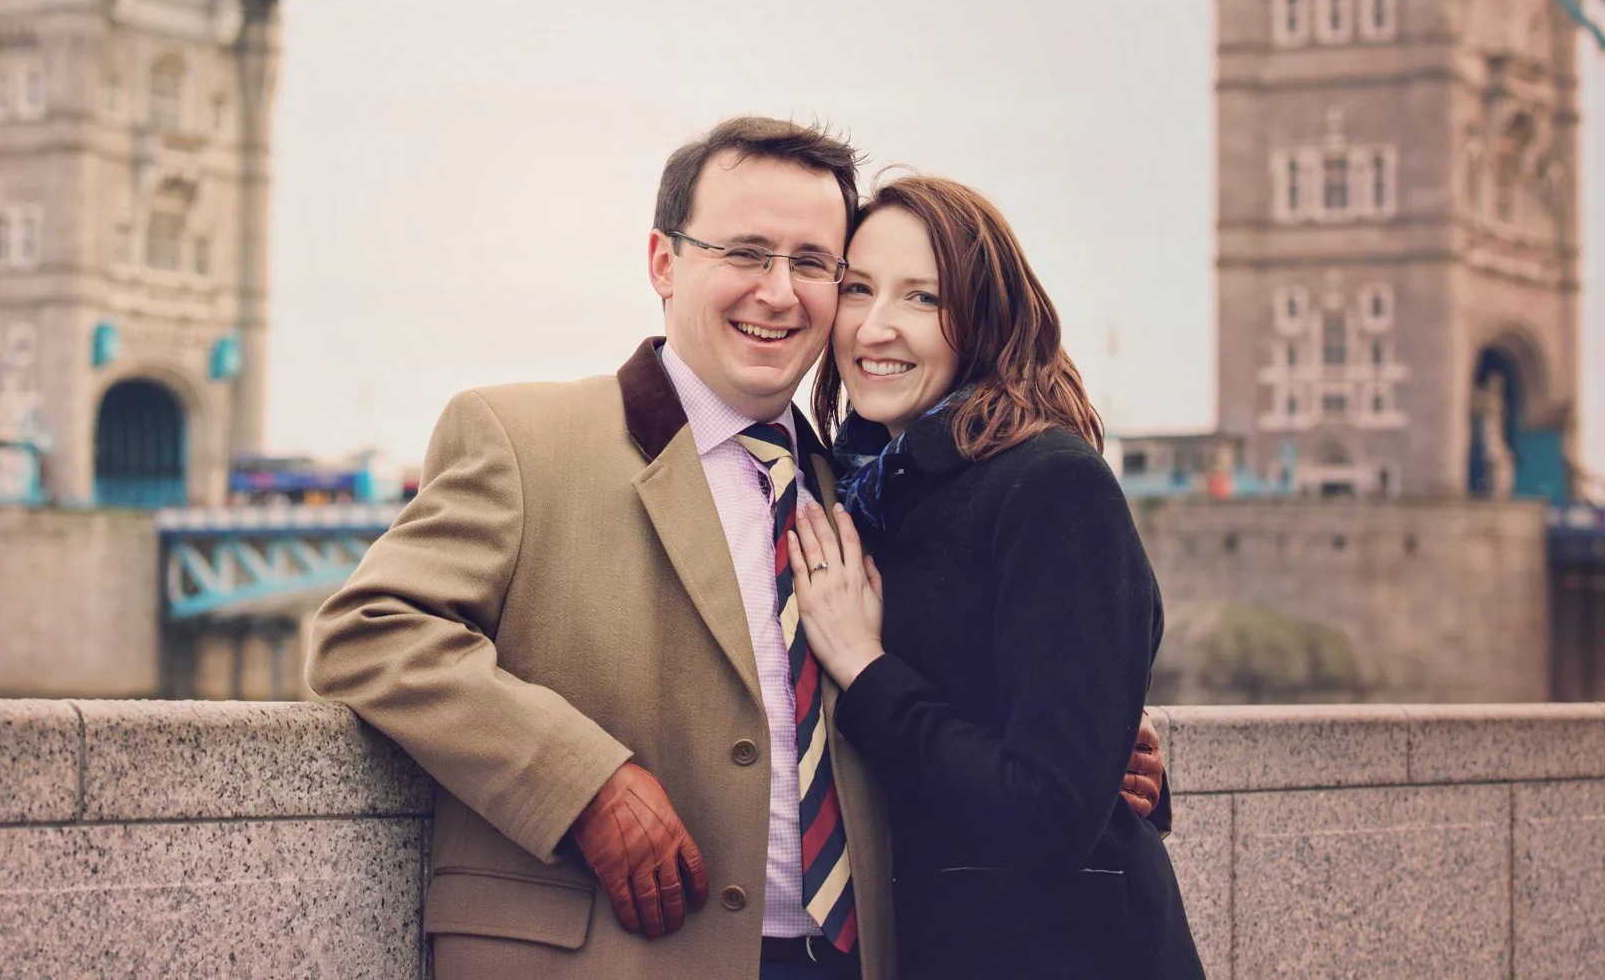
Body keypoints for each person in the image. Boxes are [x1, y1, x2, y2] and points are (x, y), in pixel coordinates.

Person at [308, 119, 1164, 980]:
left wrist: (1093, 738)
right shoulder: (525, 438)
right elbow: (370, 629)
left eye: (813, 264)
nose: (780, 292)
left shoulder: (861, 489)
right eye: (746, 253)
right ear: (663, 262)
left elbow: (976, 685)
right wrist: (581, 783)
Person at [786, 175, 1205, 980]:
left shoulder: (1051, 485)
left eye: (921, 297)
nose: (876, 326)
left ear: (986, 317)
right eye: (859, 288)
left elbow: (1049, 813)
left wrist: (866, 668)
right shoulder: (858, 484)